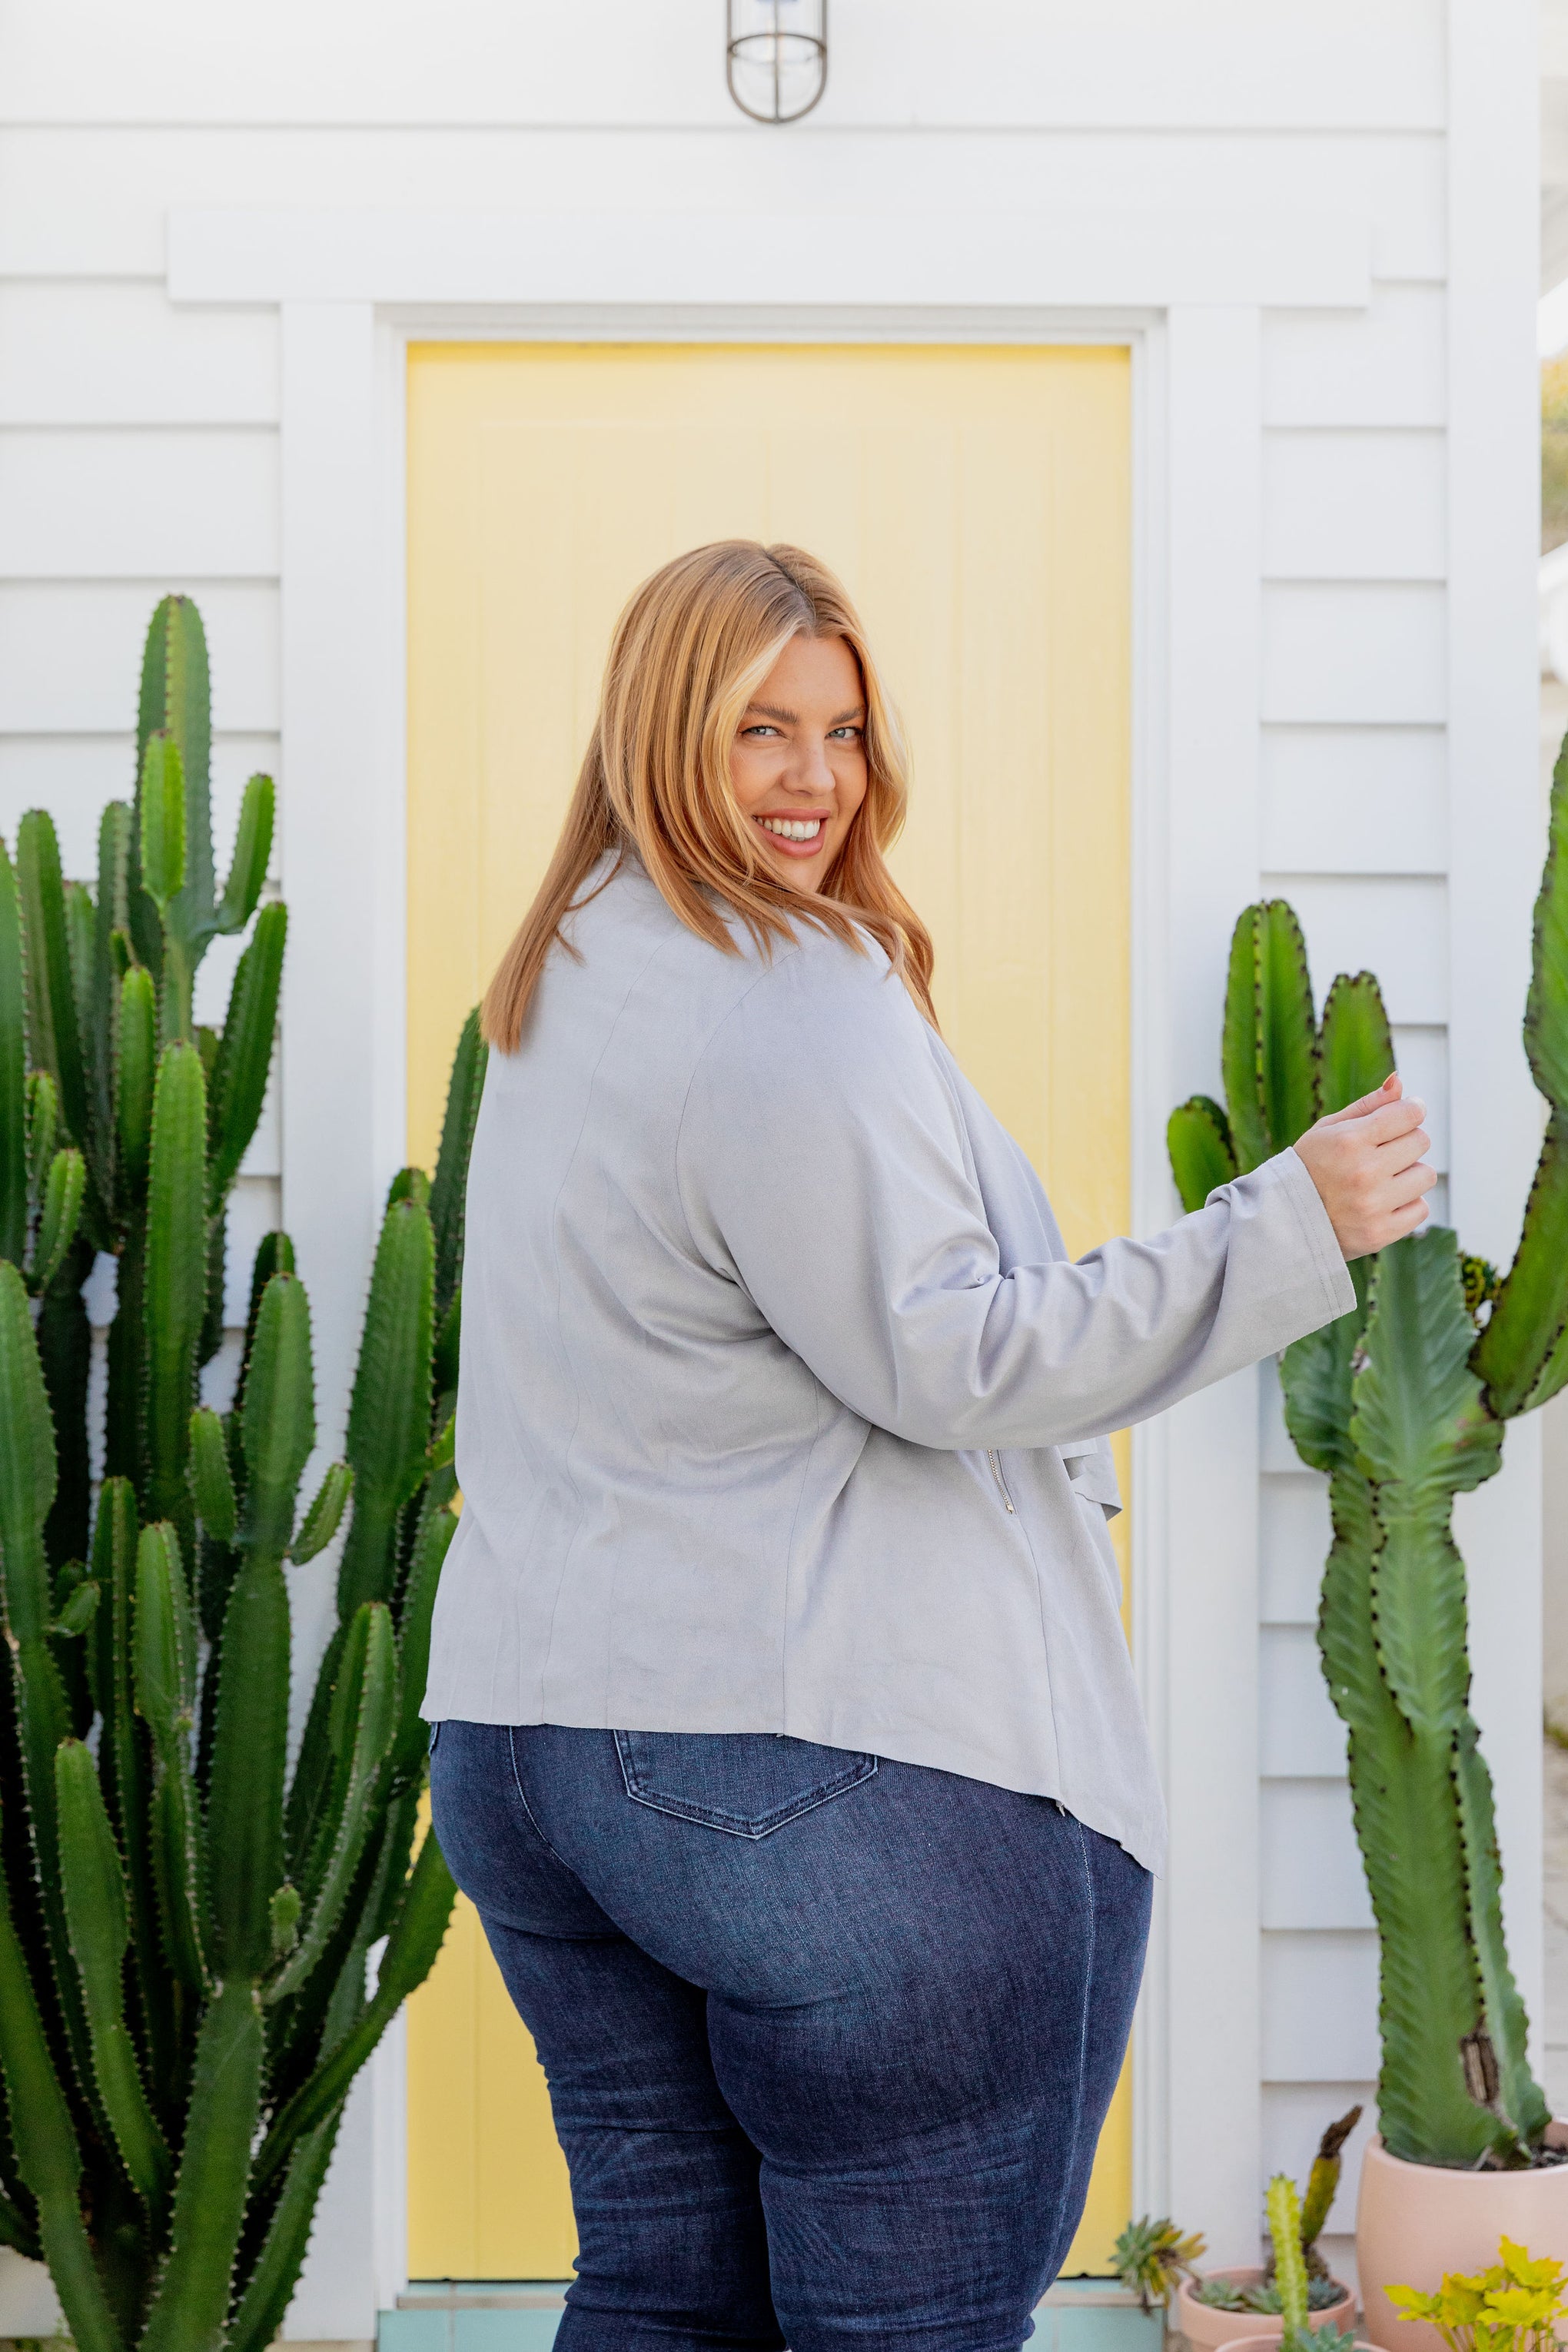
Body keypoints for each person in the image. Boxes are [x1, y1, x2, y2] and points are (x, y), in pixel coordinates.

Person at [424, 540, 1432, 2352]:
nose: (818, 782)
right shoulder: (787, 992)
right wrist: (1286, 1230)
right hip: (826, 1772)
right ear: (662, 732)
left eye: (846, 731)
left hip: (533, 1749)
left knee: (660, 2295)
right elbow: (953, 1356)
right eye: (761, 731)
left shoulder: (559, 981)